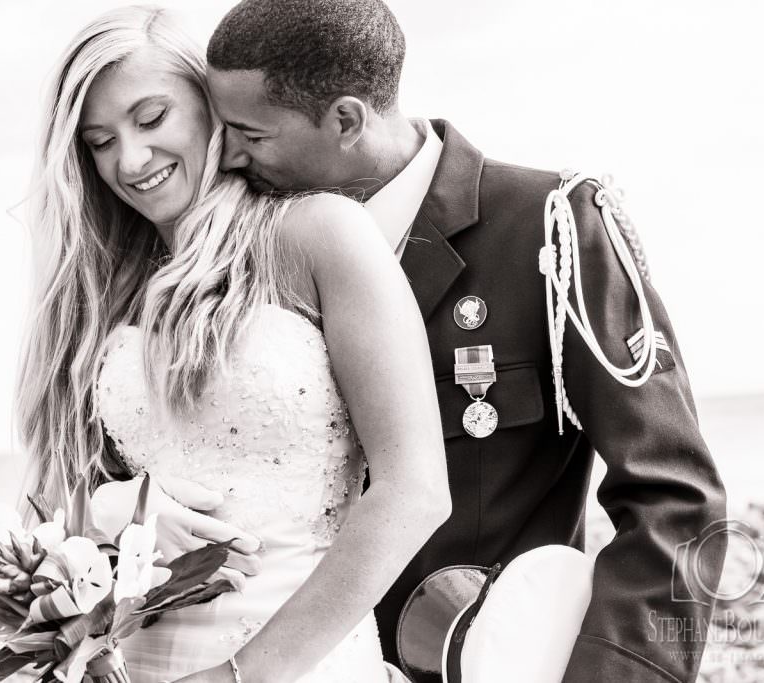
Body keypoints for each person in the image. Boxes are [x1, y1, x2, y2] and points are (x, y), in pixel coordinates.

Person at [190, 0, 731, 681]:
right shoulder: (240, 254)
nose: (229, 157)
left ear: (347, 119)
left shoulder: (549, 230)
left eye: (250, 133)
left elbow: (675, 500)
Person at [12, 5, 450, 682]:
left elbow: (413, 491)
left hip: (296, 662)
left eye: (152, 118)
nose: (129, 159)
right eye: (99, 141)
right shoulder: (100, 295)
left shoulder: (319, 235)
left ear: (209, 104)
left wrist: (239, 675)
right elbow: (45, 512)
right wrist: (107, 511)